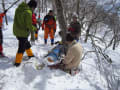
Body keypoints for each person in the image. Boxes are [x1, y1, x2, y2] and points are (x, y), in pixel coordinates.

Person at [13, 0, 37, 67]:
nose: (34, 9)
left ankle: (30, 55)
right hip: (22, 32)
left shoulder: (18, 9)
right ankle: (17, 62)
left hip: (17, 30)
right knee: (21, 47)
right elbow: (28, 25)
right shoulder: (28, 12)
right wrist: (35, 28)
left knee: (26, 43)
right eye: (34, 8)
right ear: (32, 6)